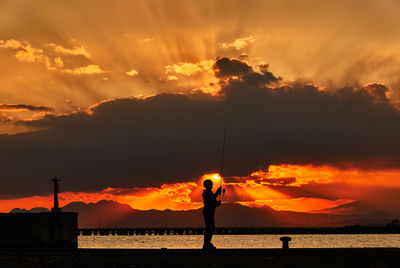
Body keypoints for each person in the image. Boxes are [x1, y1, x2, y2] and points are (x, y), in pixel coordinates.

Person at [202, 179, 224, 249]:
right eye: (210, 184)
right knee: (210, 228)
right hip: (208, 212)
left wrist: (217, 203)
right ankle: (206, 244)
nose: (211, 185)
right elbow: (211, 200)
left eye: (211, 184)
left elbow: (213, 202)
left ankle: (207, 243)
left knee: (210, 228)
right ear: (207, 185)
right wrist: (217, 192)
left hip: (209, 212)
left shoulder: (209, 193)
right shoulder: (206, 193)